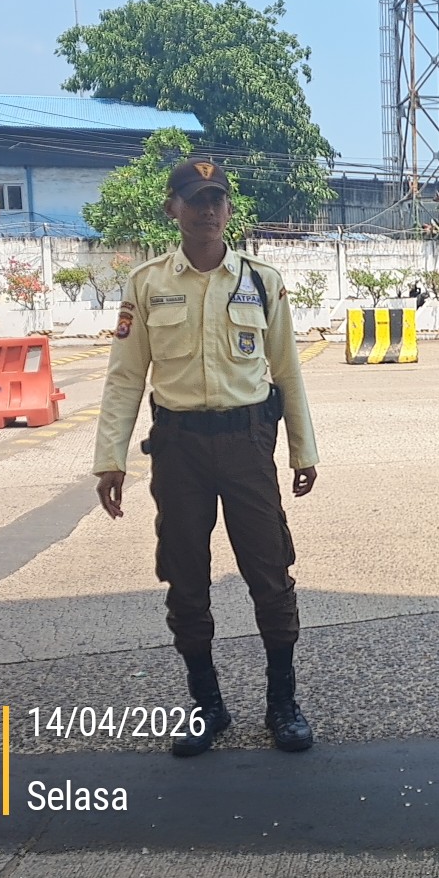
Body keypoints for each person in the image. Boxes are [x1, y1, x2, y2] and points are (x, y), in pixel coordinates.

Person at [92, 158, 319, 758]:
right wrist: (110, 459)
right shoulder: (146, 284)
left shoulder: (261, 280)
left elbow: (287, 371)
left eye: (216, 199)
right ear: (174, 208)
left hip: (248, 445)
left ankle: (282, 704)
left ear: (228, 208)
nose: (207, 210)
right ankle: (207, 705)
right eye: (195, 200)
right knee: (185, 577)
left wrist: (303, 449)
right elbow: (125, 378)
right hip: (180, 449)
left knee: (270, 573)